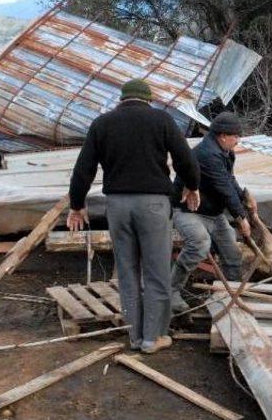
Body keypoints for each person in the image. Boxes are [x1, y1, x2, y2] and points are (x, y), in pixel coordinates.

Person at [67, 79, 200, 353]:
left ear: (122, 99)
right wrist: (192, 185)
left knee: (127, 273)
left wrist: (77, 204)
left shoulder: (102, 124)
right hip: (153, 205)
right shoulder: (161, 120)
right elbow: (185, 159)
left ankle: (135, 337)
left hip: (117, 206)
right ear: (148, 99)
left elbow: (83, 169)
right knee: (157, 272)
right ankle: (153, 338)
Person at [170, 111, 257, 312]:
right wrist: (240, 217)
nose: (238, 140)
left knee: (232, 253)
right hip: (188, 212)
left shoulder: (225, 152)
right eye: (236, 136)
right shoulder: (206, 154)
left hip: (213, 213)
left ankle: (231, 292)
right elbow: (223, 187)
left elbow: (229, 180)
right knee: (200, 244)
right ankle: (172, 291)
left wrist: (244, 197)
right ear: (223, 136)